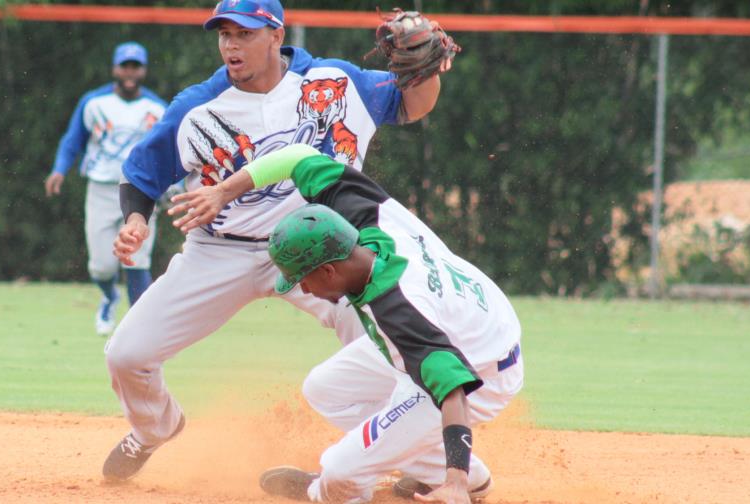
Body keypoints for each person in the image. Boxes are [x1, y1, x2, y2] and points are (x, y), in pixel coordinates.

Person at [105, 0, 457, 483]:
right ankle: (155, 428)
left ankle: (413, 463)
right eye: (224, 34)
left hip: (321, 250)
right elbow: (142, 177)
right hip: (220, 250)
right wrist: (136, 222)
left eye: (244, 33)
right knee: (127, 356)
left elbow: (414, 103)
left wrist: (425, 66)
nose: (231, 44)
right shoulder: (197, 108)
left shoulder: (335, 83)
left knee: (386, 350)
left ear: (275, 35)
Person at [169, 144, 524, 503]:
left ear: (328, 269)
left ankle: (326, 492)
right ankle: (461, 475)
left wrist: (455, 482)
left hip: (480, 368)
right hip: (464, 323)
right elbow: (296, 156)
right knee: (325, 388)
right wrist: (224, 191)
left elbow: (452, 390)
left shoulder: (397, 307)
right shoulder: (367, 219)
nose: (303, 289)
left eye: (303, 279)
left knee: (339, 470)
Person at [45, 42, 168, 336]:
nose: (129, 72)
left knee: (138, 260)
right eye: (124, 66)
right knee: (101, 266)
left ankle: (138, 329)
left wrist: (172, 184)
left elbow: (168, 151)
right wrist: (60, 169)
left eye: (135, 67)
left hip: (140, 190)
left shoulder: (157, 108)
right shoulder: (94, 103)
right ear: (115, 68)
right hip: (101, 188)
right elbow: (72, 139)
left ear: (143, 70)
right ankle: (110, 296)